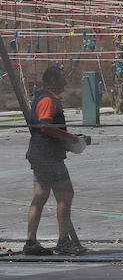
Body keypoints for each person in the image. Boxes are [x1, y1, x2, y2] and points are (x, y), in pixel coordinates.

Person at [24, 65, 87, 256]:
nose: (65, 83)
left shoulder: (43, 97)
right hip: (48, 156)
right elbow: (45, 126)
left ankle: (31, 242)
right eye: (62, 79)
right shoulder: (48, 100)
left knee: (40, 196)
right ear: (52, 81)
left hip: (40, 153)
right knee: (65, 194)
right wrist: (71, 138)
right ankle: (63, 241)